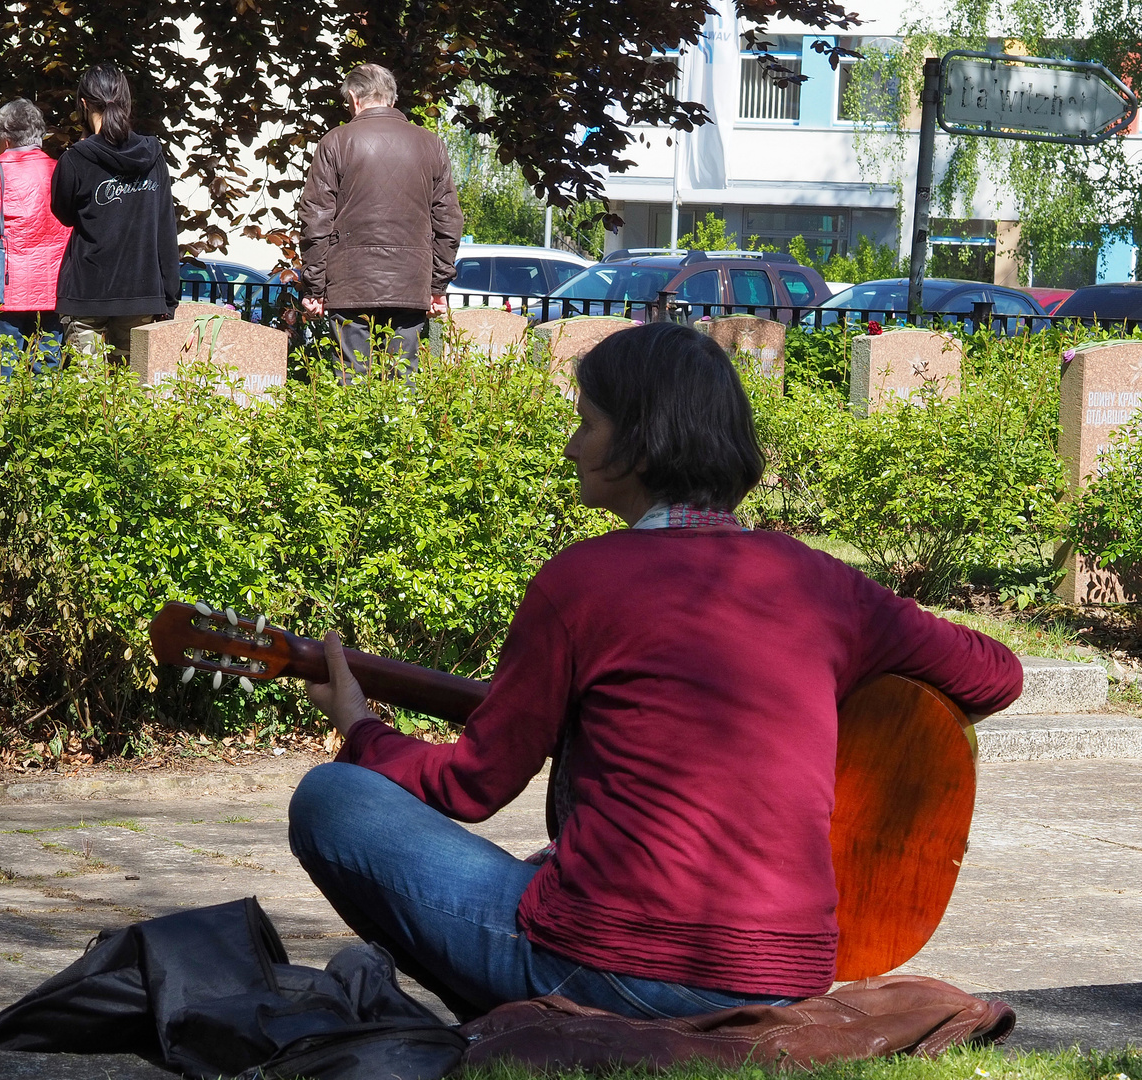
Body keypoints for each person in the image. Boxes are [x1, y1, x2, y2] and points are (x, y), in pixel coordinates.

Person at [289, 322, 1023, 1022]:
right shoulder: (817, 581)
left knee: (333, 799)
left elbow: (472, 786)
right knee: (553, 859)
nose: (571, 448)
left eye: (587, 423)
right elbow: (997, 674)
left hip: (616, 967)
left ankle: (543, 1017)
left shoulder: (582, 580)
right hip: (788, 977)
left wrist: (359, 729)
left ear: (639, 445)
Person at [298, 63, 462, 380]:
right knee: (403, 380)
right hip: (410, 283)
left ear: (356, 99)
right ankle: (400, 430)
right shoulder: (431, 144)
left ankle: (358, 430)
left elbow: (315, 219)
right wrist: (437, 285)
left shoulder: (335, 142)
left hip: (349, 283)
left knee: (352, 381)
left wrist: (315, 287)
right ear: (391, 97)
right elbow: (448, 220)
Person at [50, 64, 178, 362]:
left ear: (83, 104)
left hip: (85, 291)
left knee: (84, 396)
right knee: (132, 395)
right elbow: (165, 229)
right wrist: (169, 297)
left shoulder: (75, 161)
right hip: (141, 292)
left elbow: (65, 214)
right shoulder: (153, 157)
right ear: (125, 101)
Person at [0, 98, 72, 375]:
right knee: (48, 365)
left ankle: (2, 417)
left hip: (7, 289)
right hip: (54, 287)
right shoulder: (60, 171)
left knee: (3, 367)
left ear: (5, 140)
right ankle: (45, 417)